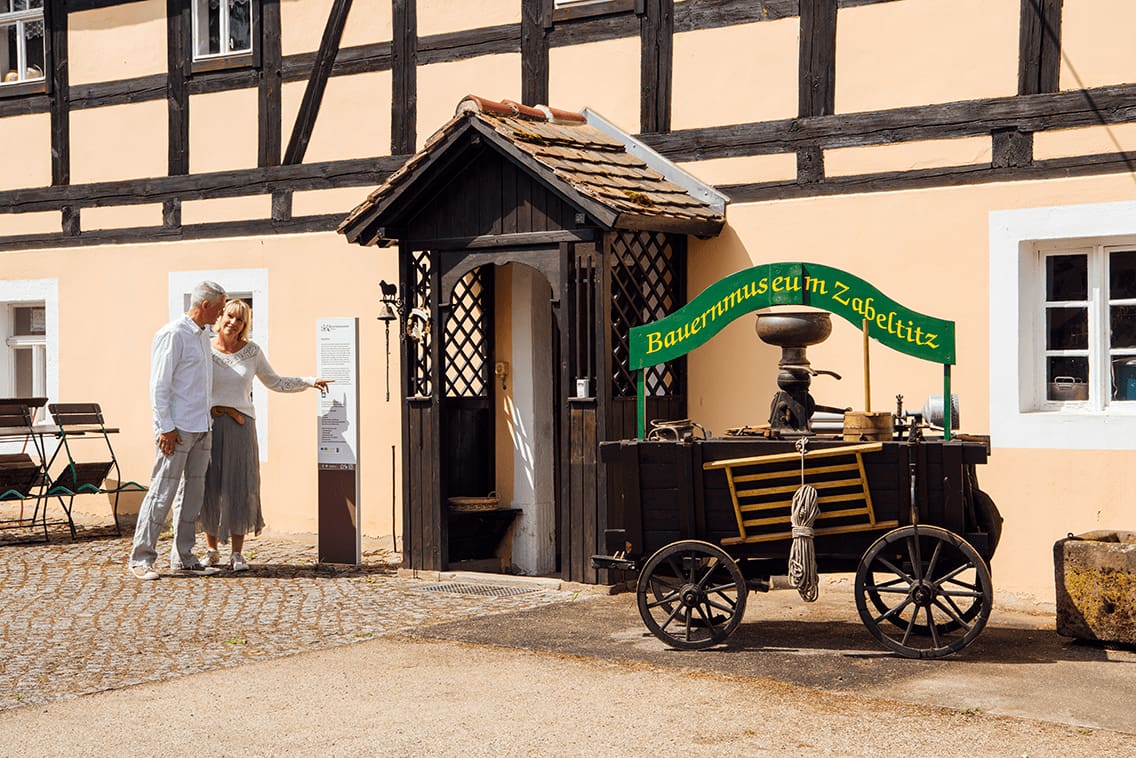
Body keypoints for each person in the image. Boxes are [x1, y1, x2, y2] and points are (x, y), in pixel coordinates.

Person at [200, 298, 330, 572]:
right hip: (209, 424)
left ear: (245, 325)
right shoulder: (203, 348)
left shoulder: (252, 352)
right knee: (208, 486)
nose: (234, 323)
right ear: (221, 316)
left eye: (241, 320)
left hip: (240, 427)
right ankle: (211, 550)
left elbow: (276, 382)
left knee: (240, 487)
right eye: (231, 317)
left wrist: (308, 381)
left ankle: (237, 553)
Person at [128, 281, 228, 580]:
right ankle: (141, 559)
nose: (222, 313)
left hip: (202, 427)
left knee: (192, 496)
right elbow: (159, 385)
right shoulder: (172, 334)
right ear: (205, 306)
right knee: (162, 493)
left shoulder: (202, 336)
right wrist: (165, 428)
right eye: (220, 308)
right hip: (177, 429)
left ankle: (183, 556)